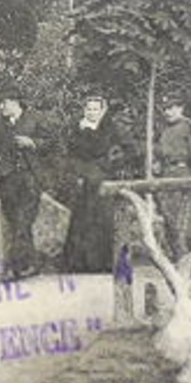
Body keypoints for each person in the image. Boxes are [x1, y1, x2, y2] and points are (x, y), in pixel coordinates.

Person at [0, 92, 47, 280]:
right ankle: (32, 264)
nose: (2, 106)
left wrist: (33, 142)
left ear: (15, 102)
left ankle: (14, 268)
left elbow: (55, 145)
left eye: (4, 102)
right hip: (8, 180)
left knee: (23, 220)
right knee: (15, 222)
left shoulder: (35, 120)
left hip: (30, 178)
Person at [61, 95, 129, 274]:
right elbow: (72, 154)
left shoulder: (109, 129)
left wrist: (110, 165)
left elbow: (115, 150)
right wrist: (78, 172)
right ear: (85, 111)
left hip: (103, 178)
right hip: (84, 179)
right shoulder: (77, 130)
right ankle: (79, 263)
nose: (92, 112)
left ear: (102, 111)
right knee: (82, 219)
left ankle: (102, 262)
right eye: (89, 109)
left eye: (95, 109)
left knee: (103, 219)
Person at [154, 98, 191, 255]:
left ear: (181, 108)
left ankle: (189, 255)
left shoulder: (189, 127)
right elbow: (160, 152)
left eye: (172, 108)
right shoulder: (164, 130)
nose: (168, 112)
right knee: (168, 213)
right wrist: (157, 163)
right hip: (167, 174)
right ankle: (174, 253)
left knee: (186, 215)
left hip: (183, 173)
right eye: (165, 109)